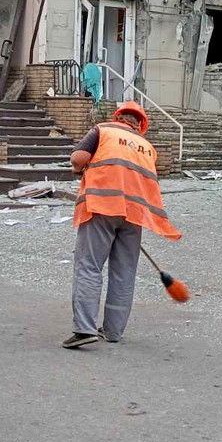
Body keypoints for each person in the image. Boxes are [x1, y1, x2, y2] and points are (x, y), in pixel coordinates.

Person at [64, 101, 181, 349]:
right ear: (141, 125)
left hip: (102, 208)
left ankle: (85, 329)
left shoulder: (103, 130)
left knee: (89, 266)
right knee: (124, 272)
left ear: (118, 117)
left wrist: (78, 168)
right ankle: (113, 331)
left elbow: (79, 157)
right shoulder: (147, 147)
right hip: (133, 215)